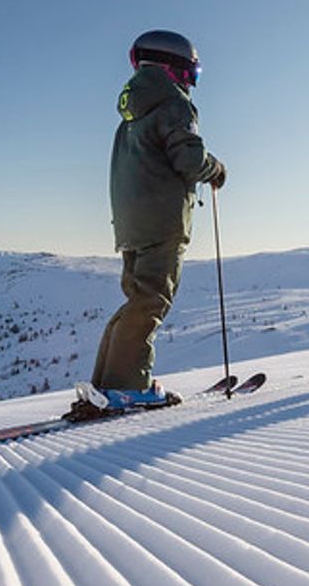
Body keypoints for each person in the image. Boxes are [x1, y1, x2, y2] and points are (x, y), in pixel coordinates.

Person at [80, 29, 226, 414]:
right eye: (192, 74)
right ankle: (128, 386)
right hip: (162, 220)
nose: (192, 83)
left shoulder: (131, 115)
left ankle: (108, 383)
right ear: (173, 68)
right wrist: (216, 170)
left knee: (137, 300)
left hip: (131, 224)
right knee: (150, 302)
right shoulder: (174, 106)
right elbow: (189, 160)